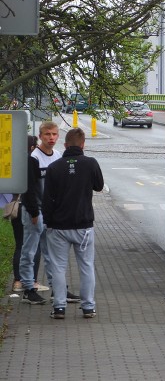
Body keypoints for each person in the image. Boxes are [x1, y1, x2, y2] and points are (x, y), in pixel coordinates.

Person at [43, 127, 104, 319]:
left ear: (65, 144)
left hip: (59, 226)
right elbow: (99, 186)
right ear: (83, 144)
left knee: (58, 267)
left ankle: (59, 307)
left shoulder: (54, 167)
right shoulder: (90, 163)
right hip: (84, 225)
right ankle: (88, 307)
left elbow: (47, 199)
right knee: (86, 266)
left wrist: (48, 222)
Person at [19, 122, 65, 305]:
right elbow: (28, 188)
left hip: (51, 214)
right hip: (34, 212)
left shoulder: (58, 156)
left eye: (54, 134)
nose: (51, 138)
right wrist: (33, 212)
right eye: (47, 134)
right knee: (29, 251)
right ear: (40, 135)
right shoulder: (33, 158)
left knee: (52, 253)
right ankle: (28, 289)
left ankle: (58, 289)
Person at [11, 136, 44, 293]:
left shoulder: (14, 163)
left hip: (15, 207)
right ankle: (31, 281)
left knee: (20, 245)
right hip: (29, 208)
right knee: (34, 247)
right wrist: (35, 211)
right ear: (31, 147)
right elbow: (33, 189)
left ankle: (17, 281)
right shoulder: (31, 162)